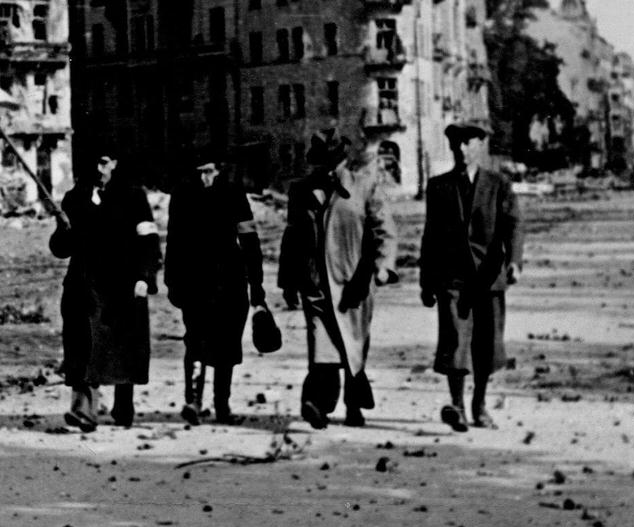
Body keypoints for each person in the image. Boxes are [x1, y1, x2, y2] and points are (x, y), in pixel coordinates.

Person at [278, 130, 397, 429]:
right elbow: (291, 237)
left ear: (343, 160)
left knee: (353, 347)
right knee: (322, 348)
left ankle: (353, 405)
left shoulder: (364, 186)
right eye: (320, 162)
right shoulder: (301, 191)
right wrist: (289, 281)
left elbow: (384, 230)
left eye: (331, 162)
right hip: (315, 283)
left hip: (353, 283)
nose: (326, 169)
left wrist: (383, 266)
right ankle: (318, 404)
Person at [420, 119, 523, 431]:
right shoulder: (439, 187)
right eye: (456, 144)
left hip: (488, 278)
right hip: (452, 278)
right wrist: (426, 281)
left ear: (481, 146)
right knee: (455, 341)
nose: (461, 150)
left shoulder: (498, 184)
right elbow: (430, 236)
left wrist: (515, 261)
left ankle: (479, 404)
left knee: (485, 345)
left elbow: (513, 224)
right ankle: (458, 406)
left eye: (468, 143)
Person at [50, 145, 162, 430]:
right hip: (84, 284)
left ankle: (123, 402)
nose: (98, 170)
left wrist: (145, 277)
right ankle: (84, 410)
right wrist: (62, 228)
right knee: (81, 345)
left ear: (114, 163)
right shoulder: (74, 198)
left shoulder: (134, 196)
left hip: (122, 284)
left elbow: (148, 241)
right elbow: (62, 249)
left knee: (124, 346)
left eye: (103, 163)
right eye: (94, 163)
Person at [164, 146, 267, 425]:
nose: (203, 178)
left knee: (227, 344)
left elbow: (249, 240)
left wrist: (256, 284)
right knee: (194, 340)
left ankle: (222, 404)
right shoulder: (182, 195)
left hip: (230, 281)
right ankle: (193, 402)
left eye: (208, 172)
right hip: (194, 281)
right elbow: (173, 241)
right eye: (199, 173)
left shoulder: (234, 194)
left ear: (219, 170)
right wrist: (171, 280)